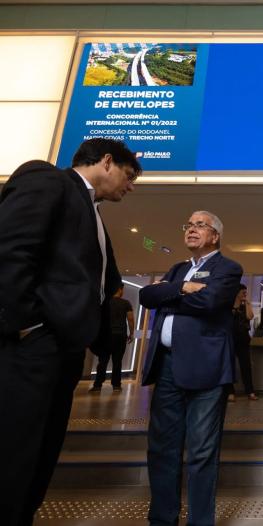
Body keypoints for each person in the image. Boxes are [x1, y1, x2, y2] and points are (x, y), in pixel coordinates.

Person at [0, 138, 140, 526]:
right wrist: (28, 326)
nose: (131, 187)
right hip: (31, 348)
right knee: (14, 452)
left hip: (64, 353)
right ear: (106, 162)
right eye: (129, 176)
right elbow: (10, 252)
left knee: (41, 454)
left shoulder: (93, 212)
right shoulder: (47, 181)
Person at [139, 211, 242, 526]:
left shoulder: (228, 268)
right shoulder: (178, 269)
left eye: (200, 225)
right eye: (188, 225)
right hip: (167, 367)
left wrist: (168, 291)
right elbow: (146, 295)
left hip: (207, 371)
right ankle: (162, 519)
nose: (191, 229)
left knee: (200, 452)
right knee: (162, 449)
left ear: (215, 235)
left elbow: (209, 303)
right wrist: (183, 288)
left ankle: (200, 521)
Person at [90, 283, 135, 393]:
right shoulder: (126, 303)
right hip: (120, 336)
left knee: (103, 361)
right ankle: (116, 386)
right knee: (117, 361)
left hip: (105, 336)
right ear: (120, 290)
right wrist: (131, 333)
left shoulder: (105, 302)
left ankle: (97, 385)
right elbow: (130, 319)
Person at [232, 284, 258, 401]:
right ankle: (230, 392)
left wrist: (247, 304)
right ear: (237, 293)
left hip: (243, 338)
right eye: (243, 292)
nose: (245, 294)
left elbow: (250, 316)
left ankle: (250, 391)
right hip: (231, 338)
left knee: (246, 366)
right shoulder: (229, 305)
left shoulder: (245, 306)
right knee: (230, 366)